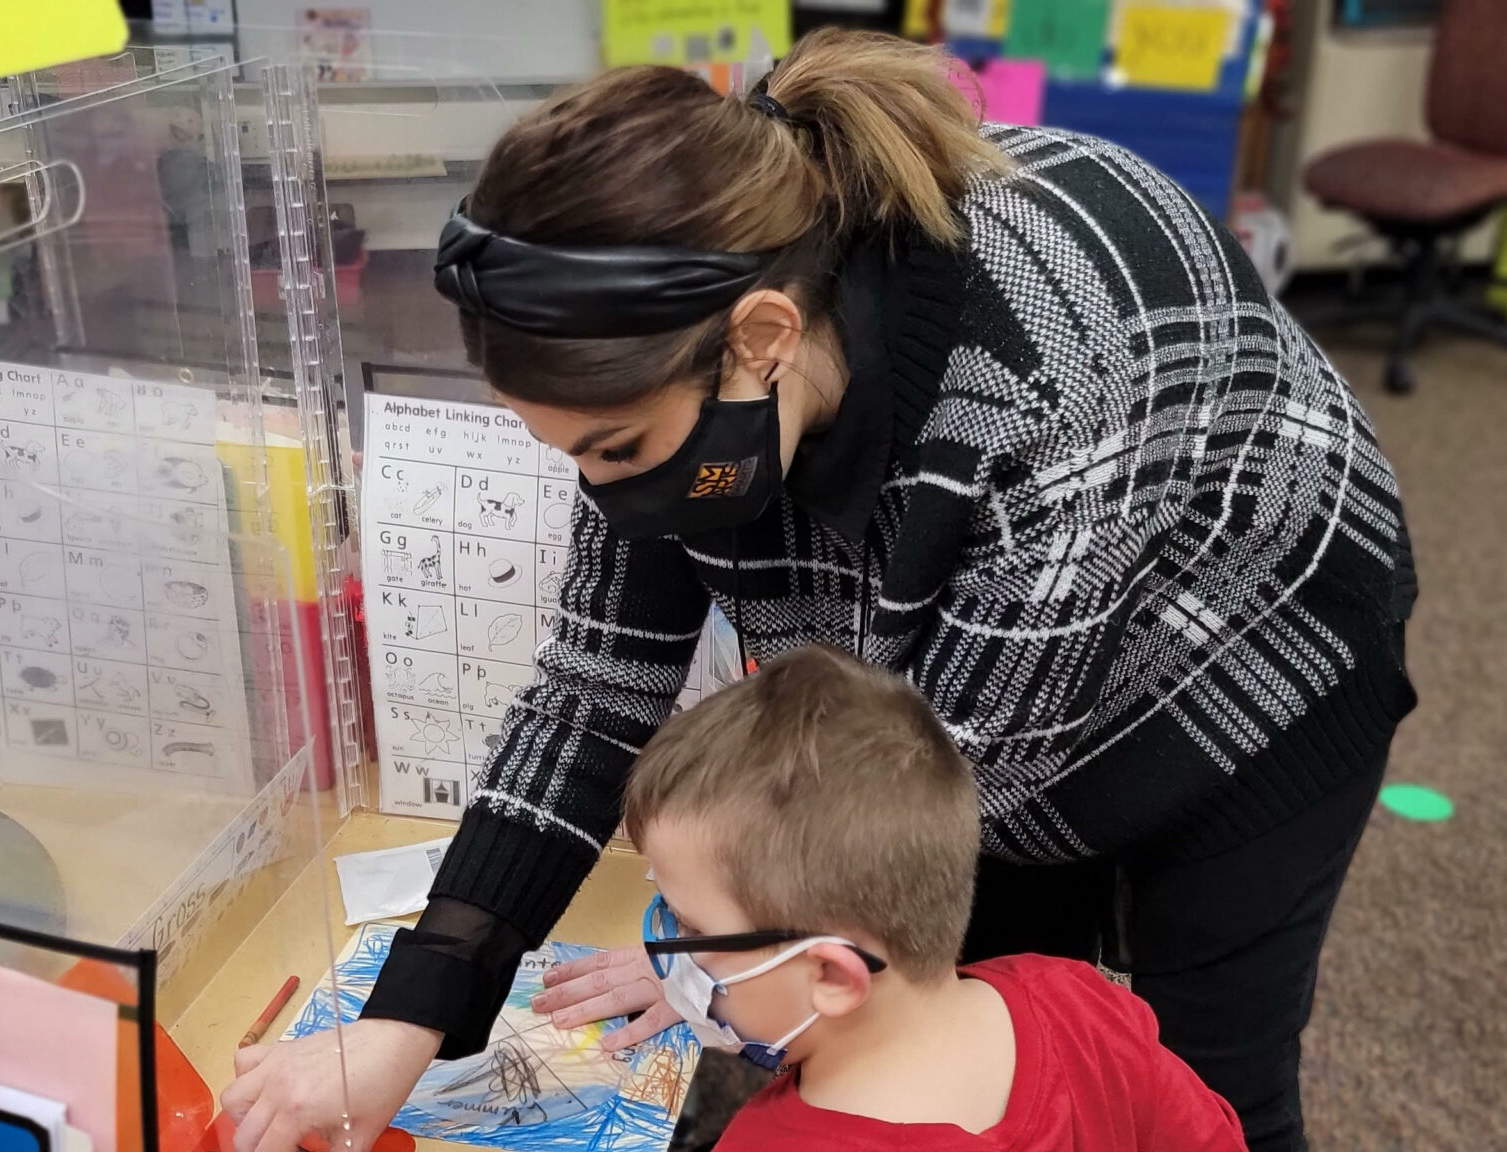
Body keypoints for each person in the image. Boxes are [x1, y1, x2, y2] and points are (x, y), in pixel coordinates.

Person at [225, 30, 1415, 1152]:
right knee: (946, 1050)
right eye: (574, 454)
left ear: (762, 335)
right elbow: (590, 695)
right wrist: (414, 1009)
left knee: (1198, 1081)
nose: (602, 491)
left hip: (1249, 658)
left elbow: (931, 791)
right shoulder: (692, 382)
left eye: (619, 449)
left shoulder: (1043, 383)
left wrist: (724, 952)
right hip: (989, 677)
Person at [626, 645, 1245, 1150]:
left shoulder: (766, 1142)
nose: (664, 949)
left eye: (685, 924)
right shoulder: (1077, 1001)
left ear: (834, 976)